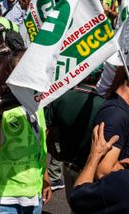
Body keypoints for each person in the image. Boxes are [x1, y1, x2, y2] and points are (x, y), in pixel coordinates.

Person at [0, 103, 51, 213]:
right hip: (1, 199)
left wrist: (45, 178)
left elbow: (40, 147)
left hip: (34, 195)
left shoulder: (36, 101)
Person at [45, 73, 105, 202]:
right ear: (99, 78)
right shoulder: (104, 105)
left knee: (72, 202)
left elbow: (48, 131)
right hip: (89, 169)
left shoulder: (61, 98)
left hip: (68, 164)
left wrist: (55, 154)